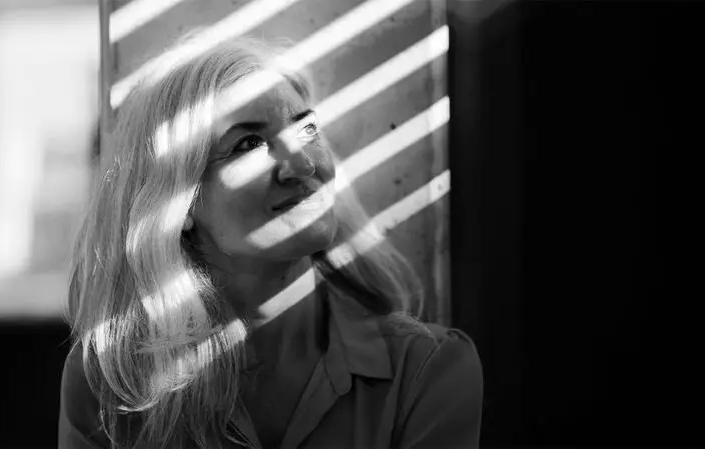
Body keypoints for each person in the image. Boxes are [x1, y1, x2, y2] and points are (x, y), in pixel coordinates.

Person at [58, 31, 483, 449]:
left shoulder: (427, 371)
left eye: (306, 129)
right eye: (249, 143)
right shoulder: (111, 383)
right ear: (179, 201)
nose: (300, 164)